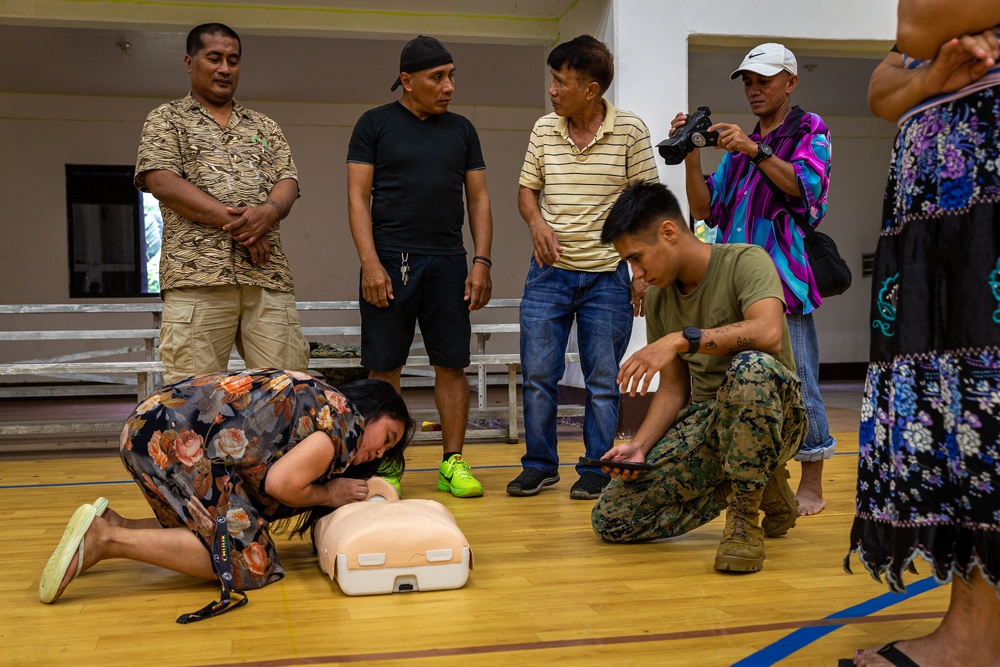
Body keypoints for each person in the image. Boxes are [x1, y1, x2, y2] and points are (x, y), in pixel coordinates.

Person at [845, 3, 1000, 665]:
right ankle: (975, 625)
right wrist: (930, 74)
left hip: (982, 180)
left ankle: (975, 638)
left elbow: (913, 25)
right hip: (939, 194)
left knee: (984, 397)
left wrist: (922, 58)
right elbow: (885, 83)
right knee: (958, 404)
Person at [39, 369, 414, 623]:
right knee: (250, 564)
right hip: (175, 440)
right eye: (388, 439)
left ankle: (114, 523)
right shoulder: (347, 426)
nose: (379, 453)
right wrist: (330, 493)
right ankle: (106, 540)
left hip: (149, 423)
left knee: (216, 526)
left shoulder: (325, 395)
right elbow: (281, 485)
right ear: (374, 411)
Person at [590, 180, 806, 573]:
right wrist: (638, 447)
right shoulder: (658, 296)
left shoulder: (746, 260)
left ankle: (744, 520)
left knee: (749, 368)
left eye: (637, 258)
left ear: (668, 233)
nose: (636, 273)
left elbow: (769, 333)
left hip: (779, 414)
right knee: (611, 518)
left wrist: (681, 339)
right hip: (711, 422)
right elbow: (674, 390)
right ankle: (759, 482)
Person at [674, 42, 834, 517]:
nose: (754, 90)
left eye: (763, 80)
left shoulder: (810, 128)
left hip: (784, 281)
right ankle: (759, 476)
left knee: (800, 378)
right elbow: (705, 209)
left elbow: (805, 188)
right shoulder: (737, 148)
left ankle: (813, 480)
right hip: (735, 282)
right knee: (740, 381)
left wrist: (755, 147)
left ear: (791, 81)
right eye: (747, 81)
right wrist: (691, 154)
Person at [507, 35, 659, 501]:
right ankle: (539, 465)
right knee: (537, 374)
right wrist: (535, 223)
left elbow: (646, 205)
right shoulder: (543, 129)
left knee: (601, 380)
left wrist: (641, 271)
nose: (552, 90)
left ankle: (595, 465)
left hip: (607, 278)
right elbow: (527, 191)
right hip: (548, 275)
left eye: (561, 81)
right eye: (553, 80)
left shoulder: (630, 130)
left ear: (590, 90)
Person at [346, 35, 493, 499]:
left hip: (449, 262)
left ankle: (452, 462)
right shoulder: (374, 125)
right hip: (390, 260)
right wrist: (370, 261)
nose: (449, 86)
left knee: (451, 364)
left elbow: (479, 199)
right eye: (438, 77)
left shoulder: (462, 130)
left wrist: (482, 261)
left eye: (452, 76)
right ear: (407, 82)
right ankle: (385, 463)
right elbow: (357, 197)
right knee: (384, 368)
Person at [134, 23, 310, 383]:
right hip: (198, 278)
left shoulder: (265, 126)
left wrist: (269, 213)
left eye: (233, 60)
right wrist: (246, 226)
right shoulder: (166, 119)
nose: (224, 68)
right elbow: (162, 181)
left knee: (285, 391)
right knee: (193, 397)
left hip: (267, 277)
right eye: (214, 58)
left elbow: (287, 181)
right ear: (189, 61)